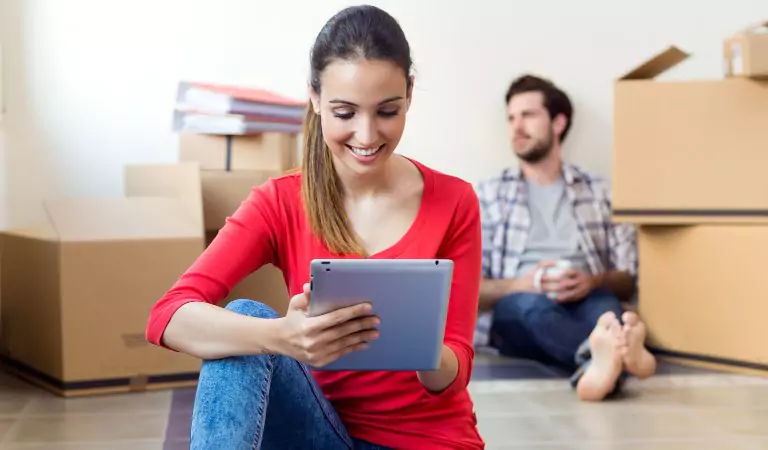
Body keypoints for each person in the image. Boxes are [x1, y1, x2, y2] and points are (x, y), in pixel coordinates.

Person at [145, 5, 485, 450]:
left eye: (387, 111)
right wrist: (281, 337)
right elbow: (167, 316)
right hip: (320, 433)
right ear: (314, 96)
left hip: (426, 439)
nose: (366, 136)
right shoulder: (281, 200)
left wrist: (421, 349)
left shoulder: (455, 201)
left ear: (410, 94)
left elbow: (453, 373)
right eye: (345, 113)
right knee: (247, 320)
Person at [473, 74, 657, 402]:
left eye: (528, 115)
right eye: (511, 118)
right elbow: (469, 287)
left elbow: (628, 279)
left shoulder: (599, 190)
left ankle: (601, 368)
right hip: (519, 306)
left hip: (587, 297)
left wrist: (591, 280)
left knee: (608, 312)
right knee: (534, 311)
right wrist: (520, 284)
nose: (516, 127)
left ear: (558, 123)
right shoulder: (488, 195)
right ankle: (627, 361)